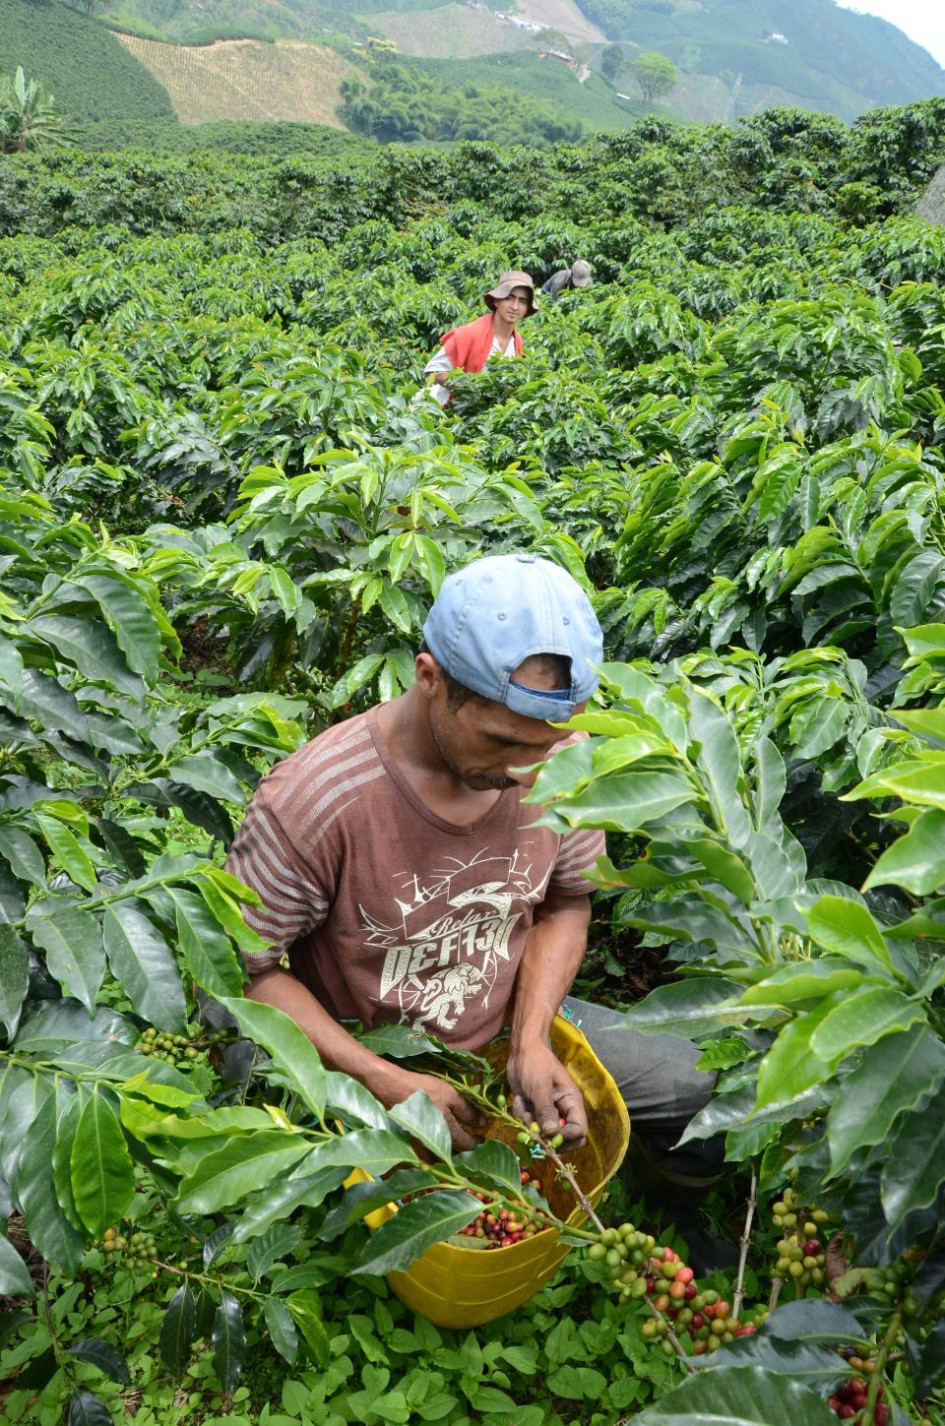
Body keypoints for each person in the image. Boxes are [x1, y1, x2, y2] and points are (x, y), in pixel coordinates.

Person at [225, 553, 725, 1246]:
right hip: (363, 1041)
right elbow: (248, 973)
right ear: (429, 678)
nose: (529, 774)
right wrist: (378, 1077)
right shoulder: (317, 801)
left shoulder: (561, 759)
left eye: (550, 745)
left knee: (689, 1085)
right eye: (504, 742)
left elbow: (565, 902)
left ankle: (668, 1209)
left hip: (498, 1016)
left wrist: (530, 1040)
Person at [423, 270, 537, 406]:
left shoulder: (517, 342)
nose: (515, 306)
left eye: (522, 301)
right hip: (447, 411)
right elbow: (433, 371)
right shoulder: (469, 334)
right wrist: (469, 389)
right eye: (509, 298)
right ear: (496, 301)